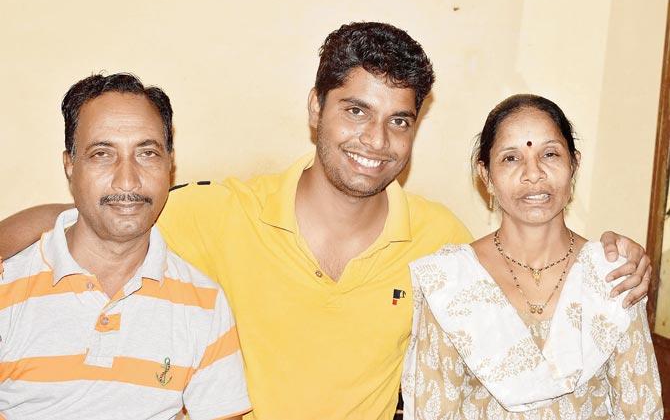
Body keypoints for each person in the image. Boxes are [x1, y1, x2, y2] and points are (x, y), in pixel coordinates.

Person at [0, 23, 652, 420]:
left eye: (399, 120)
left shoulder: (437, 239)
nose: (376, 139)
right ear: (316, 108)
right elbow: (105, 210)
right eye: (355, 111)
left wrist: (612, 255)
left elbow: (524, 275)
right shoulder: (223, 211)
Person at [0, 74, 250, 420]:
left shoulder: (204, 305)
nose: (128, 180)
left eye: (147, 153)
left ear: (169, 165)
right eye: (102, 154)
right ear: (70, 164)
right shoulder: (7, 285)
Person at [402, 94, 662, 419]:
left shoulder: (611, 276)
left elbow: (640, 410)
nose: (533, 173)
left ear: (574, 164)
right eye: (511, 158)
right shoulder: (451, 284)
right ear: (486, 176)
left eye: (549, 154)